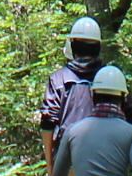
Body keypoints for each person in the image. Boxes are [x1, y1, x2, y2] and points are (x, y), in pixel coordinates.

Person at [36, 15, 109, 144]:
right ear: (98, 47)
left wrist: (50, 163)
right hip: (104, 155)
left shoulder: (57, 79)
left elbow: (48, 121)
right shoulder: (110, 77)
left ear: (73, 45)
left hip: (68, 154)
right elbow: (128, 118)